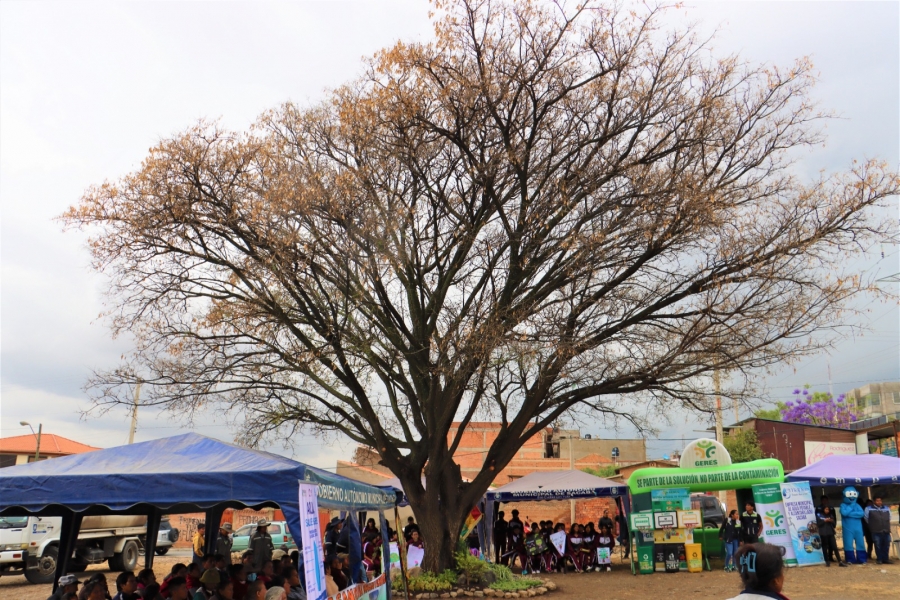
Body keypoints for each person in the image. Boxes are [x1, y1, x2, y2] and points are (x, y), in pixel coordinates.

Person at [840, 486, 867, 564]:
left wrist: (850, 514)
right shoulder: (843, 505)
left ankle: (862, 559)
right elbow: (844, 513)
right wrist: (851, 506)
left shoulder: (857, 505)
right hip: (847, 529)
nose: (851, 497)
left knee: (860, 543)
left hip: (858, 528)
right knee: (848, 544)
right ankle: (850, 559)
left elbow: (861, 514)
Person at [865, 497, 893, 565]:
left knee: (886, 545)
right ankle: (879, 559)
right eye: (877, 501)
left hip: (886, 530)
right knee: (878, 545)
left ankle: (886, 559)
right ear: (874, 501)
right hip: (876, 530)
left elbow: (890, 517)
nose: (879, 502)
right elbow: (866, 518)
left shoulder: (886, 508)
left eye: (880, 500)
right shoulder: (868, 508)